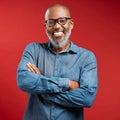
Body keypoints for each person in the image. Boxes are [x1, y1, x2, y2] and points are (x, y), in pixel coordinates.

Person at [17, 3, 98, 120]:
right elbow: (23, 80)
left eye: (62, 20)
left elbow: (87, 98)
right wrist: (67, 84)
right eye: (51, 22)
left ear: (71, 24)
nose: (57, 26)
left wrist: (42, 90)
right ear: (45, 26)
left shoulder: (86, 58)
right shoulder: (33, 50)